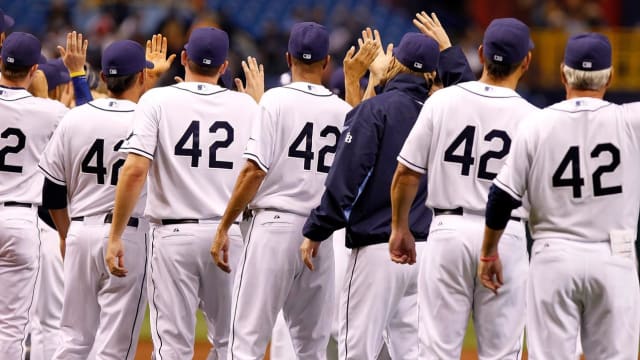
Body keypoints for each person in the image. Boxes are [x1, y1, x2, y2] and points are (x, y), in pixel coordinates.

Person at [302, 12, 474, 359]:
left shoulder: (376, 111)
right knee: (414, 351)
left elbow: (345, 178)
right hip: (427, 250)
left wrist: (317, 229)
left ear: (394, 63)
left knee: (358, 350)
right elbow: (469, 95)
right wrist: (449, 51)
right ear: (430, 74)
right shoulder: (444, 113)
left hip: (378, 247)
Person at [478, 33, 640, 359]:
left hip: (554, 256)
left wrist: (488, 252)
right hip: (615, 257)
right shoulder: (632, 121)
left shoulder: (537, 124)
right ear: (610, 76)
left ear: (563, 73)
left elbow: (501, 197)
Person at [388, 18, 537, 359]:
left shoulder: (441, 101)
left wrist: (400, 227)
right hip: (505, 236)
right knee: (501, 353)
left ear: (482, 54)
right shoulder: (533, 118)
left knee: (436, 351)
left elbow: (406, 174)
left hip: (447, 231)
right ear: (526, 61)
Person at [106, 27, 257, 359]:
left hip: (173, 234)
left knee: (172, 344)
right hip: (227, 233)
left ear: (184, 58)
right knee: (231, 341)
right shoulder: (247, 106)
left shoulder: (157, 99)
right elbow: (258, 172)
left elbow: (133, 170)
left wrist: (116, 233)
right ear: (223, 66)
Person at [211, 21, 352, 360]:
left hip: (273, 227)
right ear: (326, 63)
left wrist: (224, 225)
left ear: (288, 59)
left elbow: (253, 170)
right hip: (319, 235)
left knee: (245, 342)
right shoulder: (343, 111)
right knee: (311, 349)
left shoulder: (273, 100)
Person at [38, 39, 163, 360]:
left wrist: (66, 234)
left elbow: (51, 191)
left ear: (104, 77)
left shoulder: (73, 118)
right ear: (141, 77)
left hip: (79, 235)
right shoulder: (150, 120)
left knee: (73, 340)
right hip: (127, 238)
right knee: (114, 348)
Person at [0, 31, 68, 360]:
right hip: (20, 221)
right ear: (33, 70)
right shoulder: (49, 112)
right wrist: (76, 74)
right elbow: (90, 123)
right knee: (12, 325)